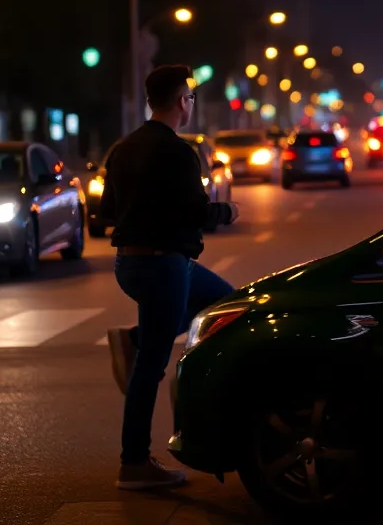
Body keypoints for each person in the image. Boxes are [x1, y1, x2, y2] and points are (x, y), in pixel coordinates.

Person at [101, 64, 240, 490]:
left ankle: (137, 338)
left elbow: (107, 210)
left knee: (226, 305)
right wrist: (225, 212)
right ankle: (134, 463)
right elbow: (197, 211)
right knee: (150, 369)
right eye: (191, 97)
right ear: (182, 101)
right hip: (163, 265)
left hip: (133, 263)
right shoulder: (180, 153)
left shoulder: (122, 149)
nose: (191, 104)